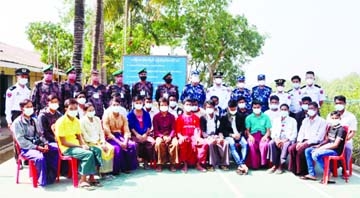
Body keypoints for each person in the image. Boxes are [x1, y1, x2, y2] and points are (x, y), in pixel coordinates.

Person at [55, 99, 103, 190]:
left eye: (75, 108)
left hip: (77, 146)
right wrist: (81, 147)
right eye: (71, 108)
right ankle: (82, 180)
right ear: (66, 109)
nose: (73, 110)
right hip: (67, 148)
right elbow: (63, 142)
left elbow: (79, 136)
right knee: (88, 154)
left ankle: (91, 177)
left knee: (97, 150)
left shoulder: (76, 120)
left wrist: (84, 145)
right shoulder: (61, 122)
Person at [13, 99, 59, 186]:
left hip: (38, 144)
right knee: (39, 158)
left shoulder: (34, 120)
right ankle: (41, 180)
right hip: (26, 148)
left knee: (54, 149)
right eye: (27, 107)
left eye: (31, 107)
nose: (30, 109)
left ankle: (51, 175)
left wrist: (45, 143)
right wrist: (37, 147)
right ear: (22, 108)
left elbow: (40, 135)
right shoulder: (17, 123)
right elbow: (22, 141)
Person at [303, 111, 347, 183]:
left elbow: (335, 145)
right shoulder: (331, 127)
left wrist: (321, 148)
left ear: (340, 118)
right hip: (327, 147)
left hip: (335, 151)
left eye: (336, 118)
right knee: (308, 150)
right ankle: (311, 174)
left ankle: (328, 173)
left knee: (315, 154)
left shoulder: (341, 130)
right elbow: (327, 140)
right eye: (332, 118)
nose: (334, 120)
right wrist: (319, 146)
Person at [288, 102, 327, 176]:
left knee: (301, 150)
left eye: (312, 108)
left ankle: (303, 171)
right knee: (291, 148)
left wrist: (305, 143)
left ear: (317, 109)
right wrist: (299, 142)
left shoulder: (322, 121)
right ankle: (294, 169)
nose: (310, 110)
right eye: (309, 108)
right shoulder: (305, 120)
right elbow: (301, 132)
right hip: (303, 141)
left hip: (314, 142)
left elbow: (319, 137)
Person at [102, 98, 137, 174]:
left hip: (121, 136)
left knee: (131, 145)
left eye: (117, 105)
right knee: (117, 148)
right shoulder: (106, 117)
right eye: (114, 105)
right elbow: (107, 132)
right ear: (110, 106)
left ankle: (127, 167)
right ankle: (116, 170)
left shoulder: (123, 117)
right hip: (111, 138)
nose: (116, 106)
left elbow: (126, 131)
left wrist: (125, 141)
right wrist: (120, 142)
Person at [80, 102, 114, 178]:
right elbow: (85, 136)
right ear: (85, 111)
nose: (92, 112)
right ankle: (101, 173)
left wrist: (103, 142)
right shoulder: (82, 121)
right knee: (101, 150)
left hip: (100, 141)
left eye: (93, 110)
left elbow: (101, 132)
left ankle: (108, 172)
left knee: (110, 148)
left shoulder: (97, 119)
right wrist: (98, 144)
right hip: (89, 142)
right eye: (89, 110)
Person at [176, 98, 209, 173]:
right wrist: (181, 137)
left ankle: (198, 164)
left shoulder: (196, 118)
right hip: (184, 137)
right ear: (183, 106)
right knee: (182, 142)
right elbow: (178, 131)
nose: (189, 106)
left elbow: (197, 129)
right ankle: (184, 164)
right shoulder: (180, 118)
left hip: (194, 137)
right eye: (187, 104)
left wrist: (198, 138)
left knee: (204, 143)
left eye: (190, 105)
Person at [326, 95, 357, 172]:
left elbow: (353, 132)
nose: (338, 105)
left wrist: (344, 141)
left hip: (346, 141)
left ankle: (345, 168)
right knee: (322, 148)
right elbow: (327, 129)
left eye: (340, 103)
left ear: (345, 103)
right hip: (332, 140)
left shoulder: (351, 116)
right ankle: (331, 168)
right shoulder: (330, 115)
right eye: (336, 103)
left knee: (347, 148)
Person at [219, 100, 249, 174]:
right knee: (232, 144)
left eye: (234, 109)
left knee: (245, 144)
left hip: (239, 135)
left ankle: (241, 163)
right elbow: (222, 130)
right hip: (229, 136)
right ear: (228, 108)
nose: (233, 110)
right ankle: (241, 164)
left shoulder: (241, 116)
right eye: (231, 109)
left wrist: (239, 134)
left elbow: (243, 128)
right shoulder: (224, 117)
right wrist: (231, 135)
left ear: (236, 107)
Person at [267, 104, 297, 174]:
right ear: (280, 111)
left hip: (287, 140)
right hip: (277, 138)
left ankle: (281, 165)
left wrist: (284, 140)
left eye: (285, 110)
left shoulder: (293, 120)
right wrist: (276, 140)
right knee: (271, 143)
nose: (283, 111)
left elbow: (294, 134)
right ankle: (274, 165)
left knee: (285, 145)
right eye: (282, 110)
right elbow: (273, 132)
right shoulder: (276, 120)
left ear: (288, 111)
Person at [200, 100, 229, 171]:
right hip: (207, 136)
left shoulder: (218, 118)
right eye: (208, 107)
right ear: (205, 108)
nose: (209, 109)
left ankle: (223, 163)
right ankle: (211, 164)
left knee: (225, 143)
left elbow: (220, 130)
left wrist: (221, 137)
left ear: (214, 108)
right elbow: (203, 132)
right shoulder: (202, 118)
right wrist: (210, 137)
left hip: (216, 135)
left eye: (211, 107)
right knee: (210, 143)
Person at [128, 96, 155, 169]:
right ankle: (136, 161)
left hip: (145, 134)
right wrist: (137, 135)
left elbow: (149, 125)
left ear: (143, 103)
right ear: (133, 103)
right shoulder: (130, 114)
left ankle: (146, 162)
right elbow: (131, 127)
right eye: (137, 103)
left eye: (140, 103)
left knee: (151, 142)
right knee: (135, 144)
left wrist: (145, 135)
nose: (138, 104)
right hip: (135, 135)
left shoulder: (146, 114)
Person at [152, 97, 179, 172]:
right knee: (158, 143)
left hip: (170, 135)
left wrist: (170, 137)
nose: (164, 107)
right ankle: (160, 164)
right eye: (162, 105)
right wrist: (162, 136)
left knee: (175, 143)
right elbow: (156, 130)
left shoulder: (172, 116)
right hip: (160, 135)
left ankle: (172, 164)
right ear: (159, 106)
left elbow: (173, 129)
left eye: (165, 105)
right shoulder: (156, 117)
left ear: (168, 105)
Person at [245, 100, 272, 169]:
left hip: (263, 135)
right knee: (251, 144)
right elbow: (247, 131)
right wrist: (250, 136)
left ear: (261, 107)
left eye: (258, 107)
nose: (256, 109)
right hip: (253, 135)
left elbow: (268, 130)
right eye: (255, 107)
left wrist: (266, 136)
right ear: (252, 108)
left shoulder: (266, 117)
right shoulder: (248, 118)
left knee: (264, 144)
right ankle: (254, 164)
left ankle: (263, 163)